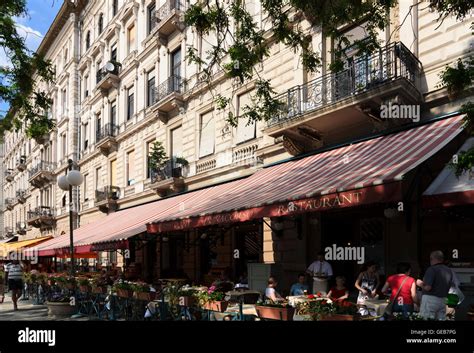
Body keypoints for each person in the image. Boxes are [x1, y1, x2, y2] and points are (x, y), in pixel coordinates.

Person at [416, 251, 453, 320]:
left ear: (432, 259)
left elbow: (428, 287)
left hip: (430, 299)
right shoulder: (448, 270)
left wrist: (420, 283)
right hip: (443, 300)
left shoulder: (431, 269)